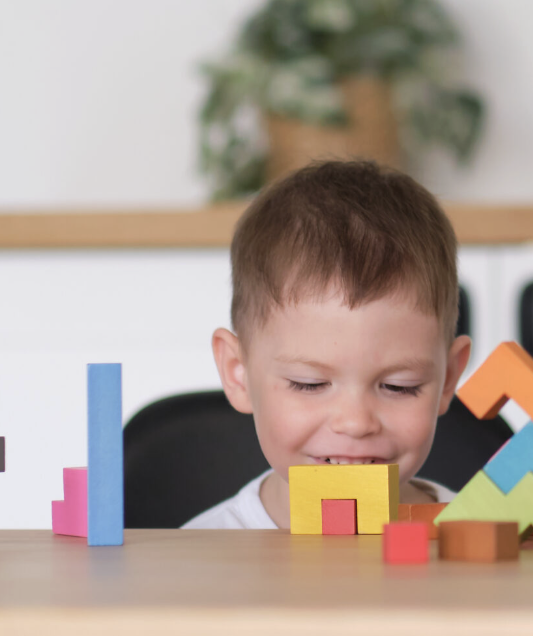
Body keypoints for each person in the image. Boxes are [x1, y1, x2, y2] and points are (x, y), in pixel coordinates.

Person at [184, 160, 471, 529]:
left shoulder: (482, 543)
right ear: (238, 374)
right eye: (310, 383)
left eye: (400, 387)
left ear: (448, 378)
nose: (355, 423)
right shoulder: (198, 559)